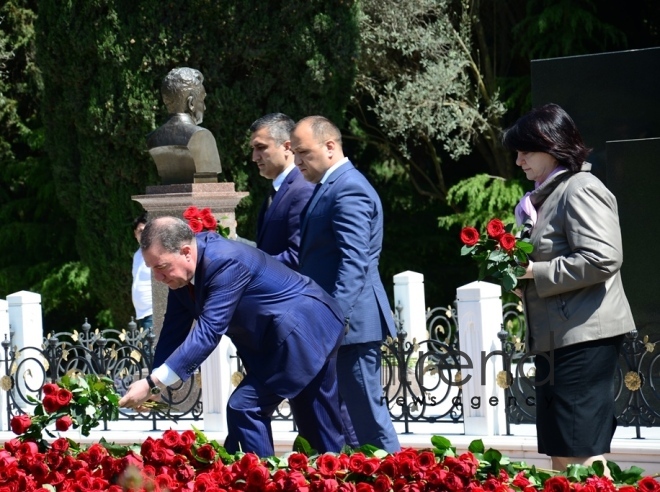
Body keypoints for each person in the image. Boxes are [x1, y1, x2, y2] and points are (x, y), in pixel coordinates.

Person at [117, 216, 346, 457]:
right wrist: (154, 383)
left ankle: (260, 482)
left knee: (246, 407)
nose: (158, 278)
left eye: (161, 267)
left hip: (304, 330)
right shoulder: (182, 277)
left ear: (185, 251)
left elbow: (209, 332)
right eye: (152, 269)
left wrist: (153, 382)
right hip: (293, 335)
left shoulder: (224, 261)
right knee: (319, 427)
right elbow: (172, 332)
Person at [503, 103, 635, 474]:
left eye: (525, 151)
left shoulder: (581, 188)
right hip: (556, 337)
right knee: (562, 448)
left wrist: (535, 272)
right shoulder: (542, 199)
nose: (519, 161)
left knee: (580, 450)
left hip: (584, 336)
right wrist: (521, 283)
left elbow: (604, 258)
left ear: (553, 145)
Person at [290, 115, 400, 452]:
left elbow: (355, 263)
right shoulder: (330, 186)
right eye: (294, 153)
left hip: (351, 324)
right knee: (353, 420)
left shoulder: (349, 187)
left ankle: (401, 479)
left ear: (330, 146)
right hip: (344, 324)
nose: (297, 162)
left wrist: (333, 319)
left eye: (303, 152)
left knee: (368, 417)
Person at [249, 113, 314, 270]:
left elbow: (297, 256)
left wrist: (249, 263)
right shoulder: (280, 189)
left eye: (261, 147)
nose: (254, 157)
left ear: (287, 147)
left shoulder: (302, 190)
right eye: (253, 149)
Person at [147, 67, 222, 184]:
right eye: (202, 100)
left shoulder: (152, 138)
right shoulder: (202, 136)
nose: (205, 107)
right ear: (191, 103)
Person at [131, 213, 153, 330]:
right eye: (140, 231)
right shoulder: (137, 255)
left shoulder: (155, 252)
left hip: (153, 311)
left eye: (146, 231)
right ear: (135, 234)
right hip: (141, 314)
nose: (143, 234)